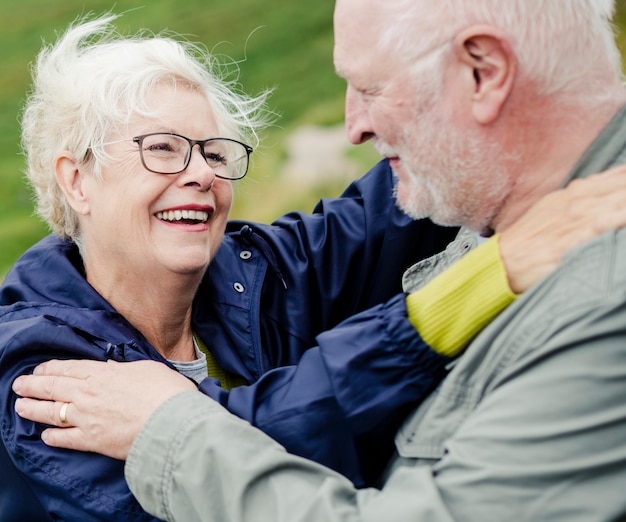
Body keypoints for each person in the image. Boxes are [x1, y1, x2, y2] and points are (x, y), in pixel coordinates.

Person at [12, 0, 626, 520]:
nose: (200, 173)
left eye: (215, 152)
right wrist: (478, 284)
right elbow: (213, 458)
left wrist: (560, 112)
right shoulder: (34, 372)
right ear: (77, 181)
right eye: (164, 150)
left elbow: (416, 179)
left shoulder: (257, 274)